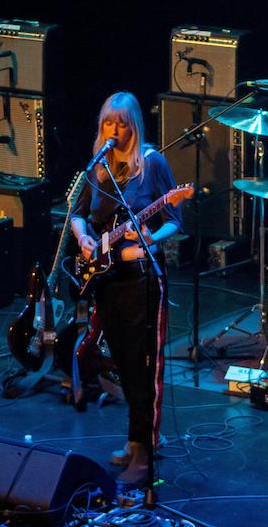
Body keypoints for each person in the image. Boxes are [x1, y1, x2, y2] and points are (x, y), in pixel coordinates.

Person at [68, 91, 182, 485]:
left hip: (141, 279)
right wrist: (83, 237)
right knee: (122, 362)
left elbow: (174, 219)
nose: (114, 130)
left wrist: (150, 238)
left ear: (134, 126)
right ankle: (135, 441)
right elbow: (78, 214)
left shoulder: (151, 164)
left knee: (142, 366)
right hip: (107, 278)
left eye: (122, 124)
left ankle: (145, 452)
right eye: (108, 123)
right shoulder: (98, 166)